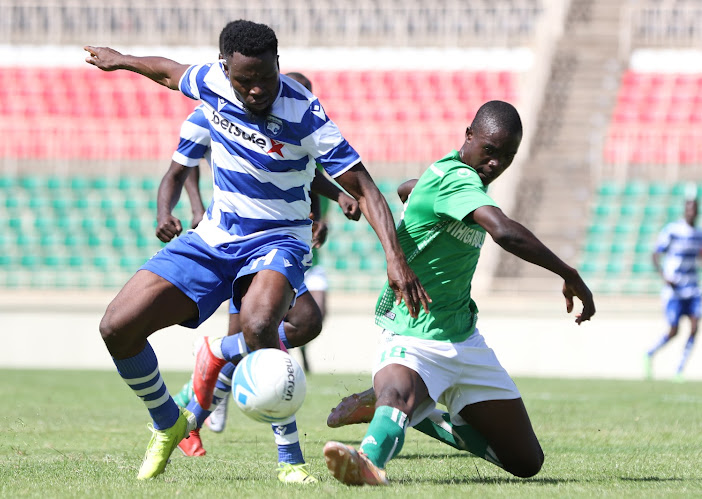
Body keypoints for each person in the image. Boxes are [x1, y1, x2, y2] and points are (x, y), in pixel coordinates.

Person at [84, 19, 429, 481]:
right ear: (225, 68)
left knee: (261, 321)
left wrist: (395, 258)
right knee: (116, 327)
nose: (256, 90)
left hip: (279, 238)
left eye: (265, 78)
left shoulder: (305, 111)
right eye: (244, 81)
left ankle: (290, 461)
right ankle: (168, 423)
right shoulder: (209, 81)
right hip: (214, 237)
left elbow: (364, 188)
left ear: (278, 65)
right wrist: (121, 59)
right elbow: (168, 71)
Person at [321, 100, 596, 486]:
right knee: (398, 396)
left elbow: (407, 189)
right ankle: (370, 457)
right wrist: (569, 273)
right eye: (490, 150)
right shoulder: (456, 179)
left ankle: (421, 413)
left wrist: (416, 193)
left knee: (526, 462)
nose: (496, 163)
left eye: (507, 156)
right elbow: (504, 231)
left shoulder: (459, 181)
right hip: (414, 329)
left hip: (465, 338)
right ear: (468, 135)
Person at [159, 71, 362, 474]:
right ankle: (206, 411)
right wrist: (194, 208)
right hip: (235, 240)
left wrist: (328, 205)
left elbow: (303, 172)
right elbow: (183, 166)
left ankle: (211, 378)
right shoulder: (212, 113)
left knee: (303, 321)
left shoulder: (297, 121)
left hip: (280, 243)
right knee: (260, 331)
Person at [645, 198, 702, 382]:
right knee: (674, 330)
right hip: (674, 291)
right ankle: (650, 353)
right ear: (685, 210)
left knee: (694, 327)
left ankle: (679, 370)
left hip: (692, 288)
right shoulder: (673, 230)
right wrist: (664, 276)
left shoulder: (699, 234)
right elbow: (655, 254)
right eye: (689, 208)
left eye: (694, 209)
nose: (691, 212)